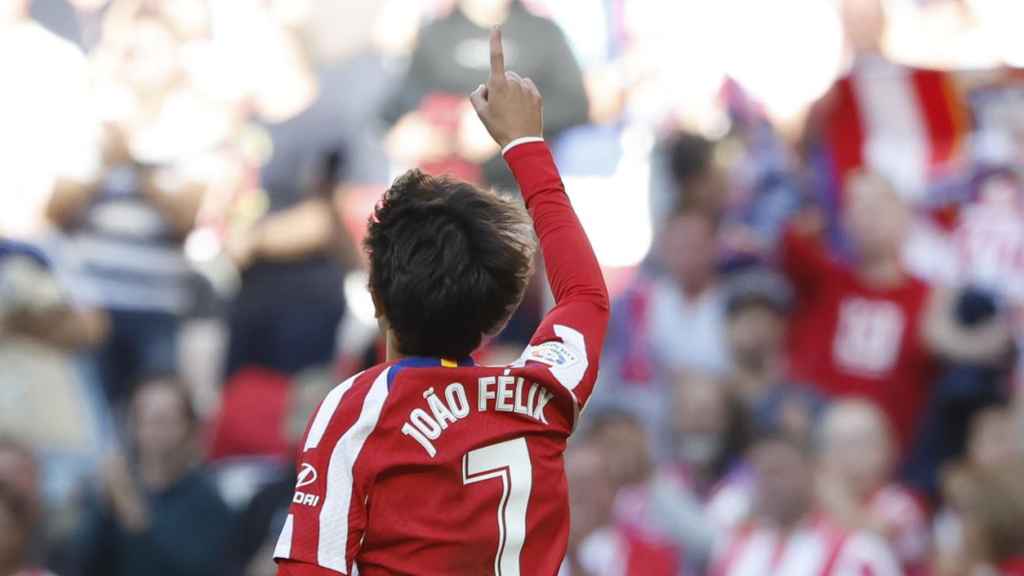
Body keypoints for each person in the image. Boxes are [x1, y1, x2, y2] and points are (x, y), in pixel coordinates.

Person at [273, 29, 608, 575]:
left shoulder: (359, 410)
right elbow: (586, 296)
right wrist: (525, 147)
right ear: (499, 314)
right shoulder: (542, 391)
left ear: (374, 293)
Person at [781, 169, 935, 454]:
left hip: (890, 445)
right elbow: (791, 245)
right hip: (815, 436)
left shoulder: (930, 297)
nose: (869, 217)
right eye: (857, 207)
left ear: (904, 216)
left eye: (878, 205)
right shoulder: (827, 282)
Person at [75, 377, 231, 576]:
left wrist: (132, 513)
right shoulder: (112, 490)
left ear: (191, 429)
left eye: (164, 420)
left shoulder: (209, 505)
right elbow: (81, 565)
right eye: (143, 419)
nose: (152, 431)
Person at [711, 430, 902, 576]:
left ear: (812, 474)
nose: (768, 484)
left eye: (779, 472)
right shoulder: (734, 546)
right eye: (759, 473)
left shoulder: (857, 551)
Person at [816, 400, 930, 574]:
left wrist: (837, 501)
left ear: (888, 448)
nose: (845, 455)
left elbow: (879, 536)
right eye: (835, 444)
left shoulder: (901, 503)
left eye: (856, 443)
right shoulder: (815, 505)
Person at [559, 441, 678, 576]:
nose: (582, 494)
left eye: (591, 483)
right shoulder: (537, 555)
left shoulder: (653, 556)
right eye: (574, 482)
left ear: (614, 489)